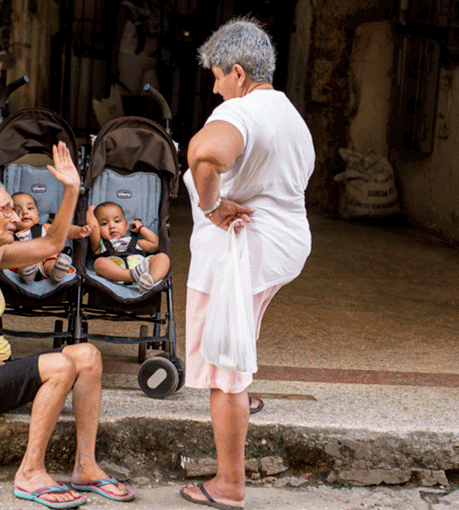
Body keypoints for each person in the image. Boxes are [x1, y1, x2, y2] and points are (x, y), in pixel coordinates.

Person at [0, 142, 134, 509]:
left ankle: (86, 466)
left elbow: (52, 241)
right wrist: (14, 373)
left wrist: (72, 189)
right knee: (60, 365)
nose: (16, 217)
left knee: (88, 355)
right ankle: (30, 472)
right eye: (4, 210)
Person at [179, 18, 315, 510]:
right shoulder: (285, 112)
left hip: (245, 252)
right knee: (234, 349)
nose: (215, 89)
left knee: (225, 369)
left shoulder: (245, 112)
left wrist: (213, 207)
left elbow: (204, 155)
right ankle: (239, 405)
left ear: (238, 73)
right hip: (279, 245)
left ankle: (229, 484)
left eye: (217, 77)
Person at [85, 201, 170, 293]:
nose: (112, 226)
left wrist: (141, 229)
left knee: (163, 257)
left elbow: (156, 244)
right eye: (104, 224)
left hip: (143, 276)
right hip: (115, 279)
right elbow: (93, 228)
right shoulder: (99, 245)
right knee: (98, 263)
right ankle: (131, 275)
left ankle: (149, 281)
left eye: (117, 221)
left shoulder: (134, 242)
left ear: (125, 225)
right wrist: (89, 212)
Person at [11, 192, 93, 283]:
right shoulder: (9, 235)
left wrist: (79, 231)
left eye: (30, 208)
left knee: (51, 263)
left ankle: (57, 271)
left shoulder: (45, 228)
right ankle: (27, 273)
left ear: (38, 216)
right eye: (17, 210)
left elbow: (63, 230)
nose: (25, 212)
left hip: (45, 259)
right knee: (20, 264)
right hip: (23, 263)